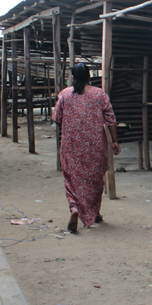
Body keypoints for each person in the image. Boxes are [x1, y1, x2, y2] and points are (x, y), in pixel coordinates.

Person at [52, 63, 121, 233]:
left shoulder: (65, 95)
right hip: (95, 145)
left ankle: (75, 208)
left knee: (72, 178)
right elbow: (111, 119)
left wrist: (70, 128)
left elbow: (57, 118)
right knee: (94, 179)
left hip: (71, 145)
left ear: (73, 77)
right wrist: (114, 141)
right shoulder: (99, 94)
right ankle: (92, 213)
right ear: (89, 77)